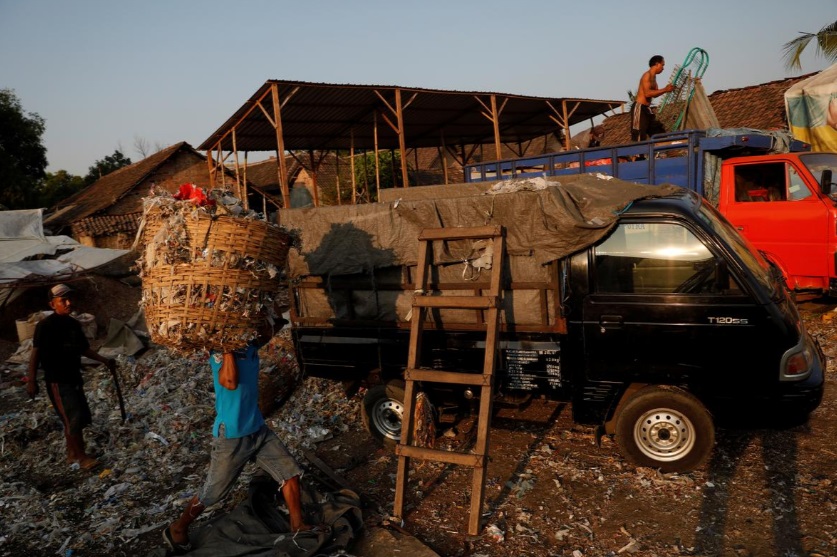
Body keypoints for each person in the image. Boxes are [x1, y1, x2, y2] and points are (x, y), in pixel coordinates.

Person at [163, 320, 319, 554]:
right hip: (232, 436)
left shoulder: (250, 346)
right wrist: (227, 349)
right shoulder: (218, 353)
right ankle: (178, 527)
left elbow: (268, 329)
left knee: (290, 473)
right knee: (213, 493)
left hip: (257, 428)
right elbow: (230, 382)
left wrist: (272, 318)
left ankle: (297, 525)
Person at [26, 283, 116, 470]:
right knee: (72, 416)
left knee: (78, 416)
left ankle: (72, 454)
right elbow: (35, 354)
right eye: (62, 300)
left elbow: (84, 349)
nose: (68, 303)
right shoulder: (45, 326)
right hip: (57, 380)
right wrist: (32, 380)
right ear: (53, 305)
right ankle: (82, 458)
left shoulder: (74, 325)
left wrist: (104, 360)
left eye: (69, 299)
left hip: (74, 376)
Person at [631, 55, 675, 142]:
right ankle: (637, 155)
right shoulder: (646, 76)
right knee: (639, 133)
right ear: (657, 64)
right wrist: (665, 89)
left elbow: (655, 94)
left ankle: (661, 151)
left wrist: (666, 89)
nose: (663, 68)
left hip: (647, 109)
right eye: (662, 65)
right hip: (639, 107)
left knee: (658, 131)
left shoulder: (654, 78)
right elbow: (647, 93)